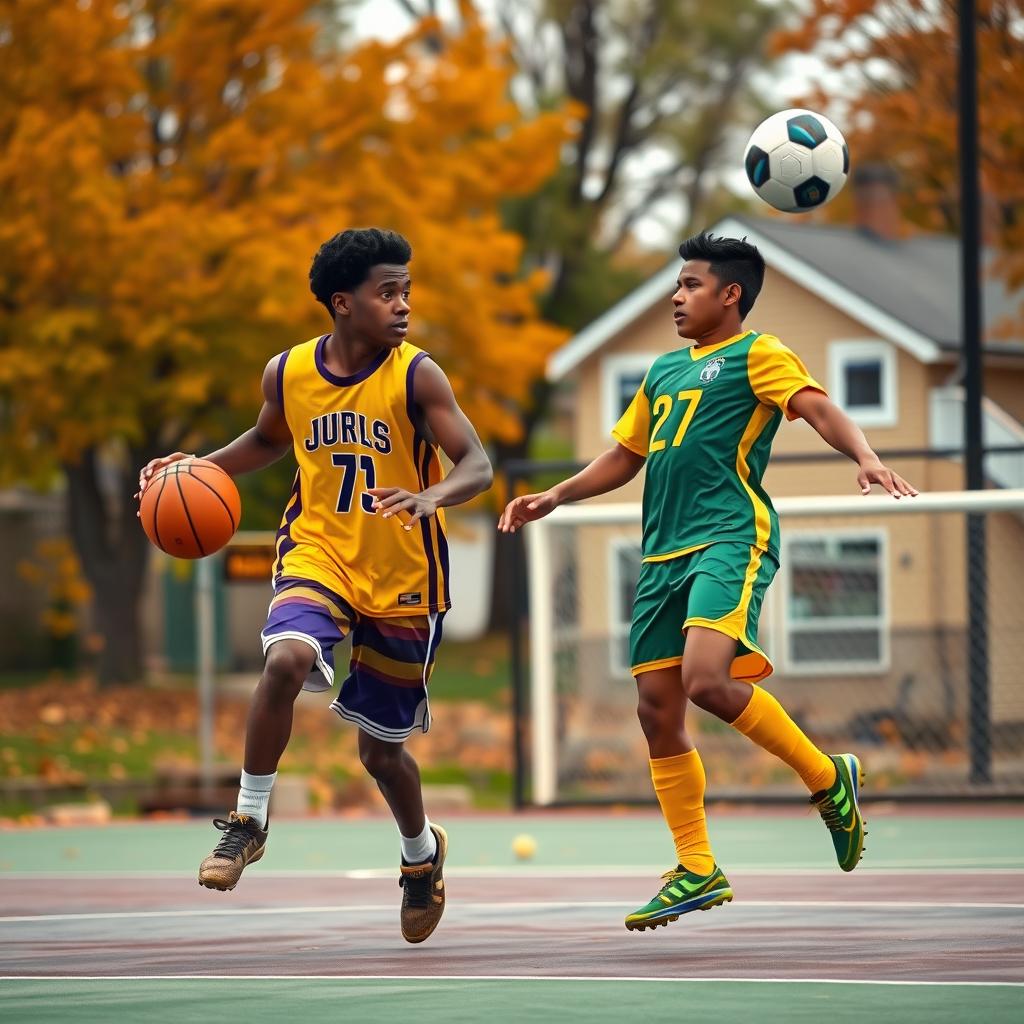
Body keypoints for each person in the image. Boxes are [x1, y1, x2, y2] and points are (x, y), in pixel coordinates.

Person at [498, 230, 917, 932]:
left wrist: (865, 454)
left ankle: (825, 776)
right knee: (656, 712)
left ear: (731, 295)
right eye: (676, 284)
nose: (676, 296)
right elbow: (624, 455)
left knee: (706, 680)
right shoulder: (662, 371)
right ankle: (697, 868)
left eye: (691, 285)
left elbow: (817, 406)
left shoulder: (760, 354)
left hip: (729, 536)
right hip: (660, 557)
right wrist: (556, 495)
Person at [139, 228, 492, 944]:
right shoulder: (288, 372)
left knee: (380, 754)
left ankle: (421, 859)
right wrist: (196, 468)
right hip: (319, 553)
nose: (402, 306)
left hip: (403, 578)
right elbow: (271, 440)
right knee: (286, 660)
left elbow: (477, 464)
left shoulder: (418, 375)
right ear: (343, 303)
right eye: (386, 292)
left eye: (406, 292)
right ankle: (250, 819)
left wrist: (434, 496)